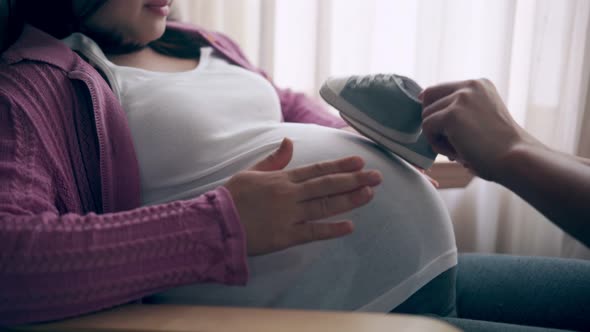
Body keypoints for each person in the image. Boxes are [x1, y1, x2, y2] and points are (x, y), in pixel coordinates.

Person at [0, 0, 458, 327]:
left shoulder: (198, 42)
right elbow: (11, 261)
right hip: (338, 309)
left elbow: (283, 104)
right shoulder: (33, 83)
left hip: (414, 271)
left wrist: (369, 146)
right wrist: (218, 225)